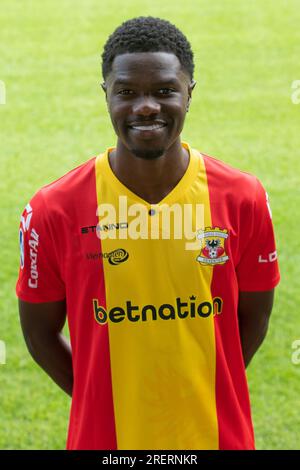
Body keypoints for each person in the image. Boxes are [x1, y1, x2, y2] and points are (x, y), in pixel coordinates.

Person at [16, 16, 280, 450]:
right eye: (127, 92)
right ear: (106, 94)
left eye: (163, 91)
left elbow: (254, 318)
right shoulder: (53, 209)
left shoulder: (242, 197)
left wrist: (205, 387)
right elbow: (38, 333)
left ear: (189, 92)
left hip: (218, 438)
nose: (145, 106)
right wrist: (101, 399)